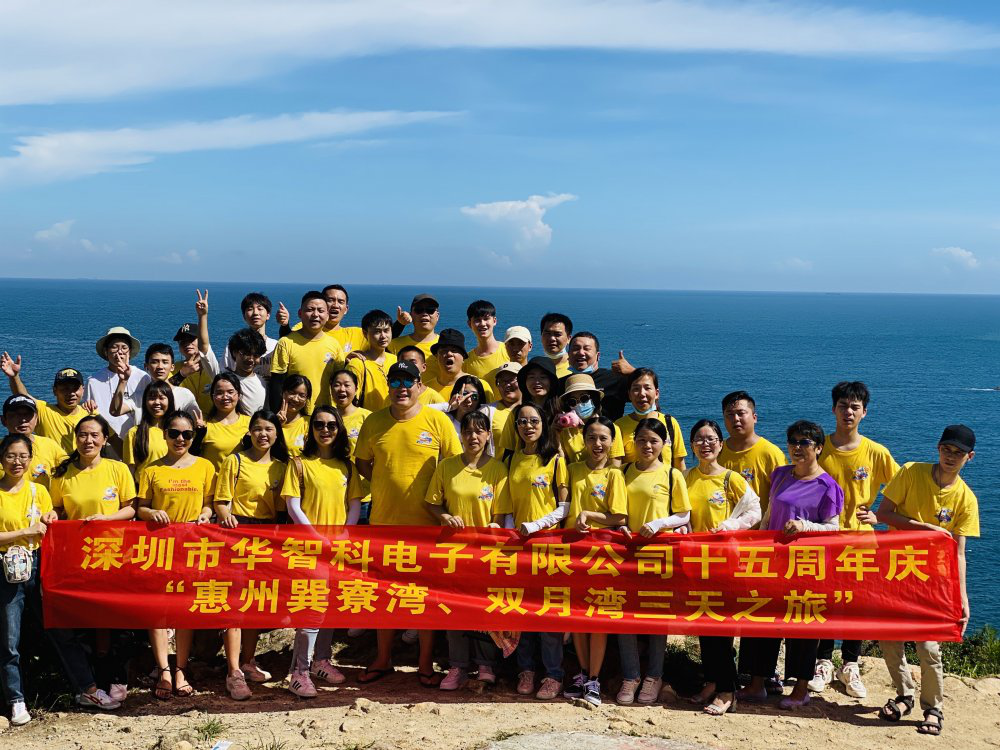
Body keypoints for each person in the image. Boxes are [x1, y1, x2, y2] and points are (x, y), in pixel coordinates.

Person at [0, 433, 121, 726]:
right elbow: (29, 531)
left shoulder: (38, 491)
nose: (17, 462)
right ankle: (16, 700)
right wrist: (24, 532)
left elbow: (49, 524)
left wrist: (50, 520)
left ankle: (87, 690)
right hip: (5, 569)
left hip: (39, 565)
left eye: (23, 456)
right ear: (1, 459)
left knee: (61, 630)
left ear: (31, 459)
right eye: (11, 455)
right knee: (10, 641)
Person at [354, 361, 461, 687]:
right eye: (395, 381)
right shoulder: (374, 421)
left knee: (424, 598)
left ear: (419, 385)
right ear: (389, 386)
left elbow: (453, 467)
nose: (402, 388)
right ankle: (383, 659)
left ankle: (425, 664)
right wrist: (386, 484)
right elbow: (363, 463)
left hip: (428, 527)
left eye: (408, 381)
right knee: (384, 597)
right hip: (384, 524)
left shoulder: (437, 420)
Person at [873, 425, 978, 737]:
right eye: (946, 449)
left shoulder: (966, 499)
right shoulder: (911, 472)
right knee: (889, 637)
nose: (950, 456)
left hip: (933, 581)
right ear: (938, 448)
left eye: (958, 453)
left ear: (969, 457)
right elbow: (884, 513)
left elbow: (959, 553)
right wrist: (926, 529)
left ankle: (933, 708)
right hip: (896, 569)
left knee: (928, 645)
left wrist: (962, 598)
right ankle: (904, 695)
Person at [137, 410, 250, 701]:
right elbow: (141, 507)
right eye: (174, 433)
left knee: (184, 608)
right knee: (158, 611)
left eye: (187, 434)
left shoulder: (205, 466)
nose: (180, 439)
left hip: (193, 547)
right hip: (161, 548)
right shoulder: (151, 469)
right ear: (164, 435)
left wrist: (204, 514)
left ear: (193, 436)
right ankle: (163, 670)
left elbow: (211, 503)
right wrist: (152, 512)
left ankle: (180, 669)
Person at [738, 420, 843, 710]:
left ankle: (800, 689)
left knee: (802, 626)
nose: (797, 447)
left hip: (806, 565)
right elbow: (770, 514)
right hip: (773, 561)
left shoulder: (827, 486)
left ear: (818, 448)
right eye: (793, 442)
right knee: (762, 616)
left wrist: (804, 526)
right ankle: (757, 683)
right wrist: (757, 546)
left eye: (805, 443)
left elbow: (833, 528)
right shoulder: (781, 474)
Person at [811, 381, 899, 699]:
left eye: (855, 407)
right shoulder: (819, 449)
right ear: (833, 409)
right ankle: (823, 662)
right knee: (824, 601)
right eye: (843, 405)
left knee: (855, 604)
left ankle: (850, 664)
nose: (848, 411)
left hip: (861, 540)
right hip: (824, 539)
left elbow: (902, 488)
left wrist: (880, 515)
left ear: (864, 413)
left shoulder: (876, 452)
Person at [50, 415, 136, 703]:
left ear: (105, 439)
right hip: (77, 556)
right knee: (86, 618)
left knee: (116, 616)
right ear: (76, 439)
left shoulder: (117, 468)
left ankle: (118, 675)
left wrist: (106, 519)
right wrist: (52, 515)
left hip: (113, 553)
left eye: (94, 435)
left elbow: (130, 509)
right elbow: (58, 510)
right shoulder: (62, 474)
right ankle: (93, 680)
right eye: (83, 435)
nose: (88, 440)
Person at [281, 407, 364, 696]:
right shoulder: (299, 464)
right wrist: (316, 536)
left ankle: (321, 660)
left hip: (337, 549)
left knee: (331, 607)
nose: (325, 430)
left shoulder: (346, 466)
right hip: (309, 549)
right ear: (311, 429)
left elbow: (354, 502)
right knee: (312, 609)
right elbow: (293, 505)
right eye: (319, 424)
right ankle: (299, 672)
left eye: (331, 425)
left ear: (339, 429)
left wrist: (344, 533)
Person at [424, 410, 507, 690]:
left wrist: (494, 527)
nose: (473, 436)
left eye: (479, 431)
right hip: (453, 553)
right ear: (461, 435)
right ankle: (457, 666)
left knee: (485, 609)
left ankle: (485, 664)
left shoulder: (497, 469)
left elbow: (501, 513)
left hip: (486, 554)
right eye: (468, 431)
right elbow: (432, 503)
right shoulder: (447, 466)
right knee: (454, 609)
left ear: (488, 435)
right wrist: (445, 517)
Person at [684, 419, 761, 717]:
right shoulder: (685, 478)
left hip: (725, 563)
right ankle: (713, 681)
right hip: (695, 562)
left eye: (711, 439)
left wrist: (730, 525)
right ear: (692, 445)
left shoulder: (732, 479)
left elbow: (755, 511)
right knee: (704, 625)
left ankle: (727, 690)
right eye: (699, 439)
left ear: (720, 444)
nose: (705, 444)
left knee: (720, 626)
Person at [493, 402, 569, 700]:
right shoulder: (509, 458)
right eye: (522, 422)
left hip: (548, 546)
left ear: (544, 424)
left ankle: (553, 675)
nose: (528, 426)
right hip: (518, 547)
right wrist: (510, 532)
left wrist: (537, 525)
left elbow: (564, 507)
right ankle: (525, 670)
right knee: (521, 611)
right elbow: (507, 503)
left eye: (534, 421)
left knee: (548, 612)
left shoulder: (555, 459)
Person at [616, 418, 691, 706]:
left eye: (654, 441)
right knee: (624, 616)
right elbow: (615, 509)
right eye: (642, 440)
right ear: (633, 442)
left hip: (659, 555)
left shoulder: (672, 474)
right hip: (627, 555)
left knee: (657, 617)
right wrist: (620, 526)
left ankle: (654, 676)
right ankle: (631, 676)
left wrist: (659, 524)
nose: (647, 446)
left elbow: (683, 514)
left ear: (663, 444)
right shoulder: (623, 472)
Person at [215, 410, 289, 685]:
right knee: (234, 602)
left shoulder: (281, 467)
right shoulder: (234, 461)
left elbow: (281, 510)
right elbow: (221, 502)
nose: (263, 434)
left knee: (254, 602)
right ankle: (233, 670)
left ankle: (248, 661)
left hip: (266, 537)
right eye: (257, 429)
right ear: (249, 432)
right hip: (237, 534)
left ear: (277, 434)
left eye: (269, 429)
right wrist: (226, 517)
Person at [564, 416, 628, 708]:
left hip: (601, 556)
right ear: (584, 440)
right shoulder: (572, 469)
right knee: (576, 616)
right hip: (571, 553)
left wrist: (589, 515)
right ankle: (581, 672)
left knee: (598, 617)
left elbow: (619, 517)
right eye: (592, 437)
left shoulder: (615, 474)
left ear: (612, 442)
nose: (597, 443)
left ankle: (594, 678)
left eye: (603, 438)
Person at [268, 290, 345, 413]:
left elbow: (340, 382)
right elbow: (277, 384)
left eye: (320, 310)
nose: (315, 314)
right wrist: (277, 415)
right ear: (300, 313)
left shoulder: (334, 345)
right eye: (310, 310)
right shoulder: (286, 343)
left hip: (325, 415)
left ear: (327, 315)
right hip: (294, 415)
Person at [192, 289, 267, 413]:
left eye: (255, 355)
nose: (250, 359)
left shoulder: (263, 382)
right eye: (245, 354)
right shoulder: (223, 378)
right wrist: (202, 316)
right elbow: (204, 347)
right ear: (234, 353)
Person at [1, 356, 90, 453]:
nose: (71, 393)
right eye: (65, 389)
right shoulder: (44, 411)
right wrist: (14, 377)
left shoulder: (90, 412)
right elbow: (23, 397)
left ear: (83, 390)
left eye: (75, 388)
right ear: (54, 391)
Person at [718, 391, 786, 516]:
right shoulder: (717, 451)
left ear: (754, 417)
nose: (735, 419)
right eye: (730, 414)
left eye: (741, 413)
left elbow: (784, 496)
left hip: (759, 527)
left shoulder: (771, 453)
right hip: (722, 526)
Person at [108, 343, 200, 435]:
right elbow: (115, 411)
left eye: (165, 362)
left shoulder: (184, 394)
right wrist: (123, 381)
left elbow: (195, 423)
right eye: (154, 362)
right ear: (146, 366)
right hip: (144, 443)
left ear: (172, 367)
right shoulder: (140, 395)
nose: (160, 367)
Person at [84, 327, 150, 440]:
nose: (119, 352)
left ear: (129, 352)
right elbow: (88, 413)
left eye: (124, 348)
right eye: (114, 347)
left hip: (136, 439)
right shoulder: (93, 381)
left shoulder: (142, 377)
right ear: (106, 351)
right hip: (106, 441)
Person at [615, 368, 687, 471]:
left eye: (647, 388)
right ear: (629, 394)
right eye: (636, 389)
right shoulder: (619, 426)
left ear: (656, 393)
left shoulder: (670, 423)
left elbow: (679, 465)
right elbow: (616, 468)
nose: (642, 394)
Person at [0, 394, 68, 489]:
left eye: (28, 414)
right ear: (3, 420)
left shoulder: (50, 445)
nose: (23, 420)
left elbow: (72, 469)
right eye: (15, 415)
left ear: (36, 419)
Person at [278, 284, 367, 355]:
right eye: (331, 300)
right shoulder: (304, 327)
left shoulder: (358, 334)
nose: (335, 305)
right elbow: (287, 340)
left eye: (341, 301)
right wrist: (285, 325)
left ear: (346, 309)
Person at [556, 374, 625, 465]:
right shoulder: (565, 432)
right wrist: (556, 435)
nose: (579, 404)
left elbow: (615, 464)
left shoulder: (612, 428)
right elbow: (563, 464)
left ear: (594, 399)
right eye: (572, 401)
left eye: (584, 398)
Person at [563, 332, 628, 419]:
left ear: (598, 356)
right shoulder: (560, 383)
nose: (581, 352)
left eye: (587, 349)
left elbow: (645, 394)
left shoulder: (615, 379)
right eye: (576, 348)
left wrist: (632, 372)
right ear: (568, 354)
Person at [195, 373, 252, 471]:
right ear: (212, 396)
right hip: (214, 480)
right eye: (219, 393)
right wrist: (198, 436)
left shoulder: (251, 423)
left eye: (230, 392)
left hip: (243, 480)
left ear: (238, 394)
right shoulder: (204, 425)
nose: (225, 397)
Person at [346, 309, 398, 411]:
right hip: (367, 419)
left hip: (393, 418)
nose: (383, 336)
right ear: (365, 333)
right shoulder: (357, 364)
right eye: (377, 332)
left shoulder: (395, 360)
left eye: (386, 330)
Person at [430, 375, 497, 454]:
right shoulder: (445, 418)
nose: (468, 400)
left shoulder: (483, 421)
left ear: (480, 399)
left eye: (474, 396)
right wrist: (449, 406)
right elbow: (422, 411)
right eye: (464, 394)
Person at [221, 292, 278, 381]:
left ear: (268, 315)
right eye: (250, 309)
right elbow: (225, 372)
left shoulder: (276, 345)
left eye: (260, 308)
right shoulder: (236, 344)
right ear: (244, 316)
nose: (255, 313)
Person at [424, 328, 493, 401]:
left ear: (463, 357)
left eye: (454, 350)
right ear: (436, 357)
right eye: (444, 350)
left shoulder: (481, 386)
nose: (449, 354)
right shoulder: (425, 389)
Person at [122, 381, 174, 477]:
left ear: (170, 401)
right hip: (142, 485)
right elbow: (130, 471)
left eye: (161, 398)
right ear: (145, 402)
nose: (157, 402)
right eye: (152, 398)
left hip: (171, 484)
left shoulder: (177, 433)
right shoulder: (134, 433)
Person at [388, 293, 441, 383]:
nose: (424, 313)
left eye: (430, 310)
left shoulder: (445, 346)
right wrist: (400, 324)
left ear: (437, 316)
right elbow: (376, 345)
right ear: (411, 315)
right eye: (419, 310)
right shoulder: (394, 344)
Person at [463, 300, 509, 392]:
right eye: (477, 320)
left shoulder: (508, 350)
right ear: (469, 324)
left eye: (486, 319)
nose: (482, 324)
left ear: (494, 321)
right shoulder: (466, 361)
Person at [489, 361, 522, 450]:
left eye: (511, 380)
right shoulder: (487, 411)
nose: (507, 385)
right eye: (502, 381)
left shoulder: (534, 409)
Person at [277, 374, 311, 457]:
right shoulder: (269, 421)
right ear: (282, 392)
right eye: (292, 393)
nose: (296, 399)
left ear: (306, 399)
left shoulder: (310, 423)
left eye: (302, 395)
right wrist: (275, 425)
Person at [539, 312, 573, 378]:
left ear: (569, 338)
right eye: (547, 333)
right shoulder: (534, 369)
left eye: (557, 334)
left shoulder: (575, 368)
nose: (552, 338)